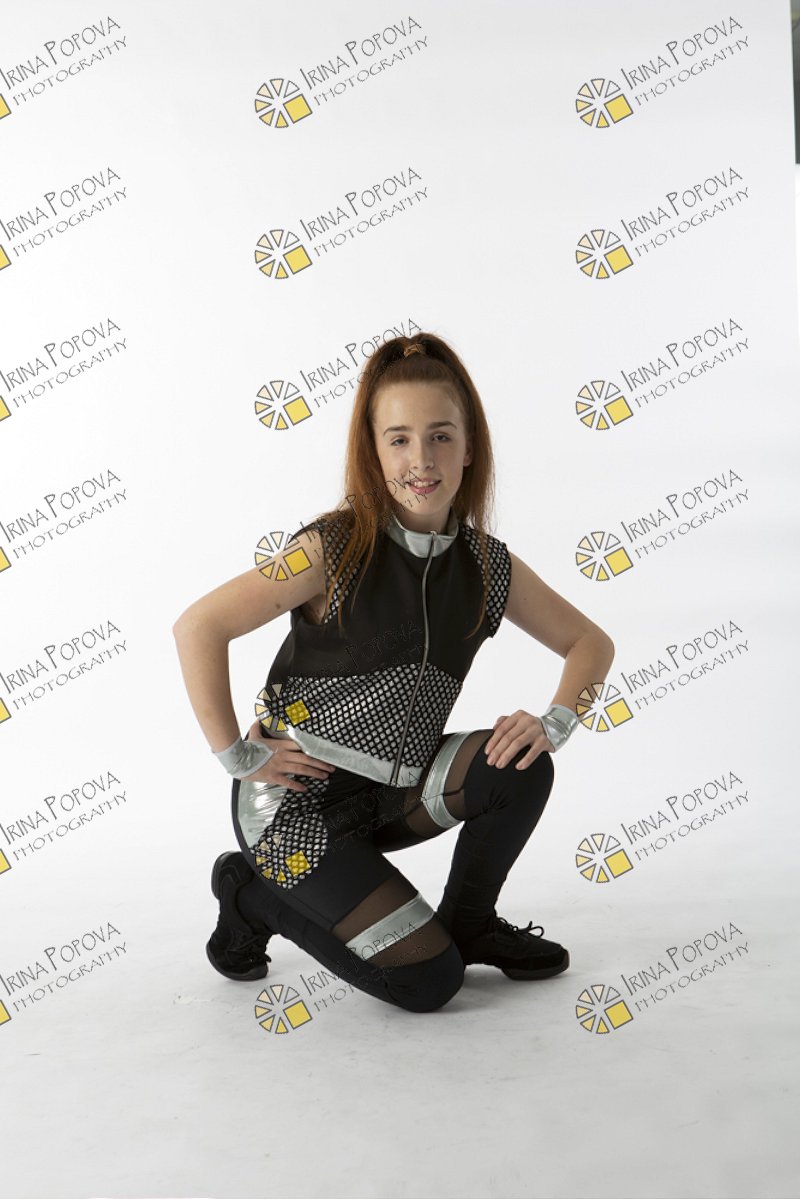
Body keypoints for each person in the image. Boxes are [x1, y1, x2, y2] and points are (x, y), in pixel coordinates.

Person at [172, 332, 615, 1014]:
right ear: (373, 452)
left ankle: (470, 924)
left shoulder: (487, 565)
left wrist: (553, 721)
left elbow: (589, 642)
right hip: (295, 810)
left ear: (470, 447)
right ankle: (251, 894)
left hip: (392, 793)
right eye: (399, 439)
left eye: (441, 437)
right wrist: (238, 754)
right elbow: (199, 626)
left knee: (521, 766)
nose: (422, 460)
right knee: (428, 982)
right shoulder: (332, 547)